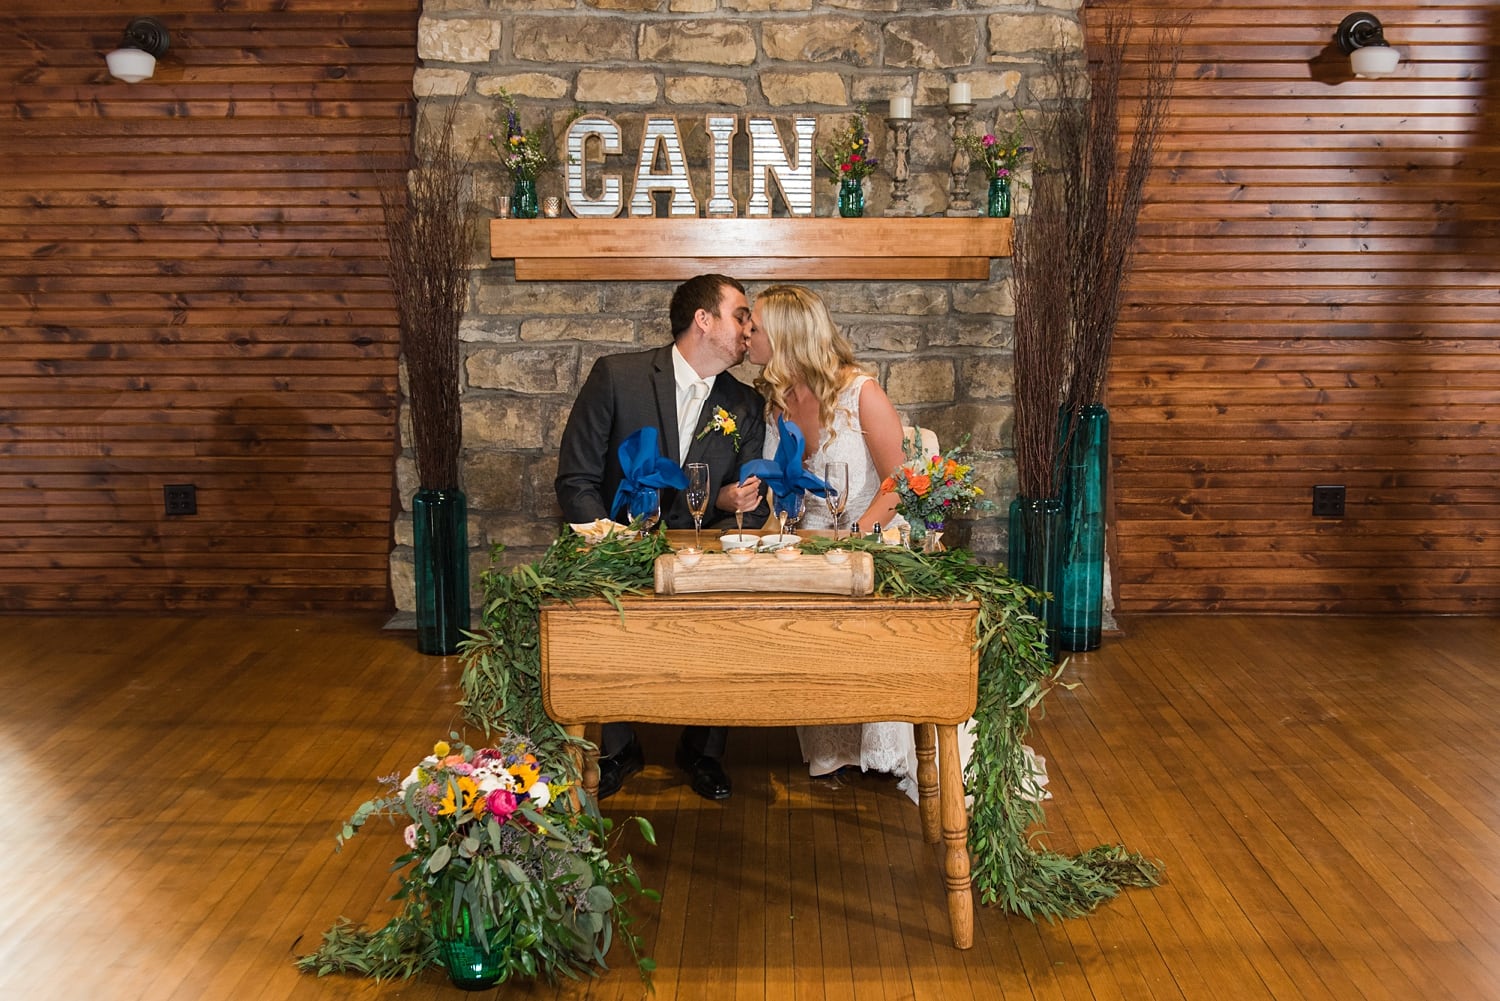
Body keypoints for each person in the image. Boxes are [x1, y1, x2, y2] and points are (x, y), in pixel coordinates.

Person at [555, 273, 765, 802]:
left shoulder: (744, 404)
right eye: (740, 314)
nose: (749, 326)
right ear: (703, 320)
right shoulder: (617, 377)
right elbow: (576, 478)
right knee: (609, 631)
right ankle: (619, 748)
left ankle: (703, 751)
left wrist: (744, 503)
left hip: (705, 557)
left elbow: (746, 497)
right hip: (618, 549)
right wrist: (607, 544)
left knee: (728, 620)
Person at [745, 284, 924, 792]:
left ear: (785, 336)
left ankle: (884, 746)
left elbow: (901, 483)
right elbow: (784, 492)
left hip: (872, 539)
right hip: (808, 544)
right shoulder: (777, 403)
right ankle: (834, 748)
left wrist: (858, 542)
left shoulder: (861, 392)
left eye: (754, 327)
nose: (746, 336)